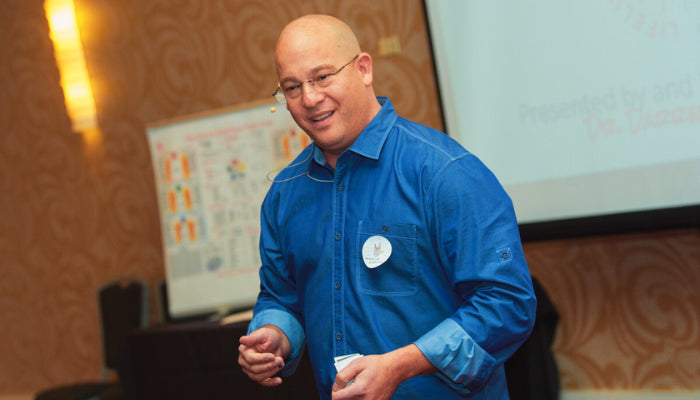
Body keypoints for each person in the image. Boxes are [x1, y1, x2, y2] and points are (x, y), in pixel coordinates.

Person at [238, 14, 537, 400]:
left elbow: (507, 303)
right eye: (292, 87)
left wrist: (401, 365)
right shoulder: (285, 193)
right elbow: (281, 297)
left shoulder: (444, 173)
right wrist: (275, 335)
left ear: (363, 69)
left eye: (323, 76)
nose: (310, 99)